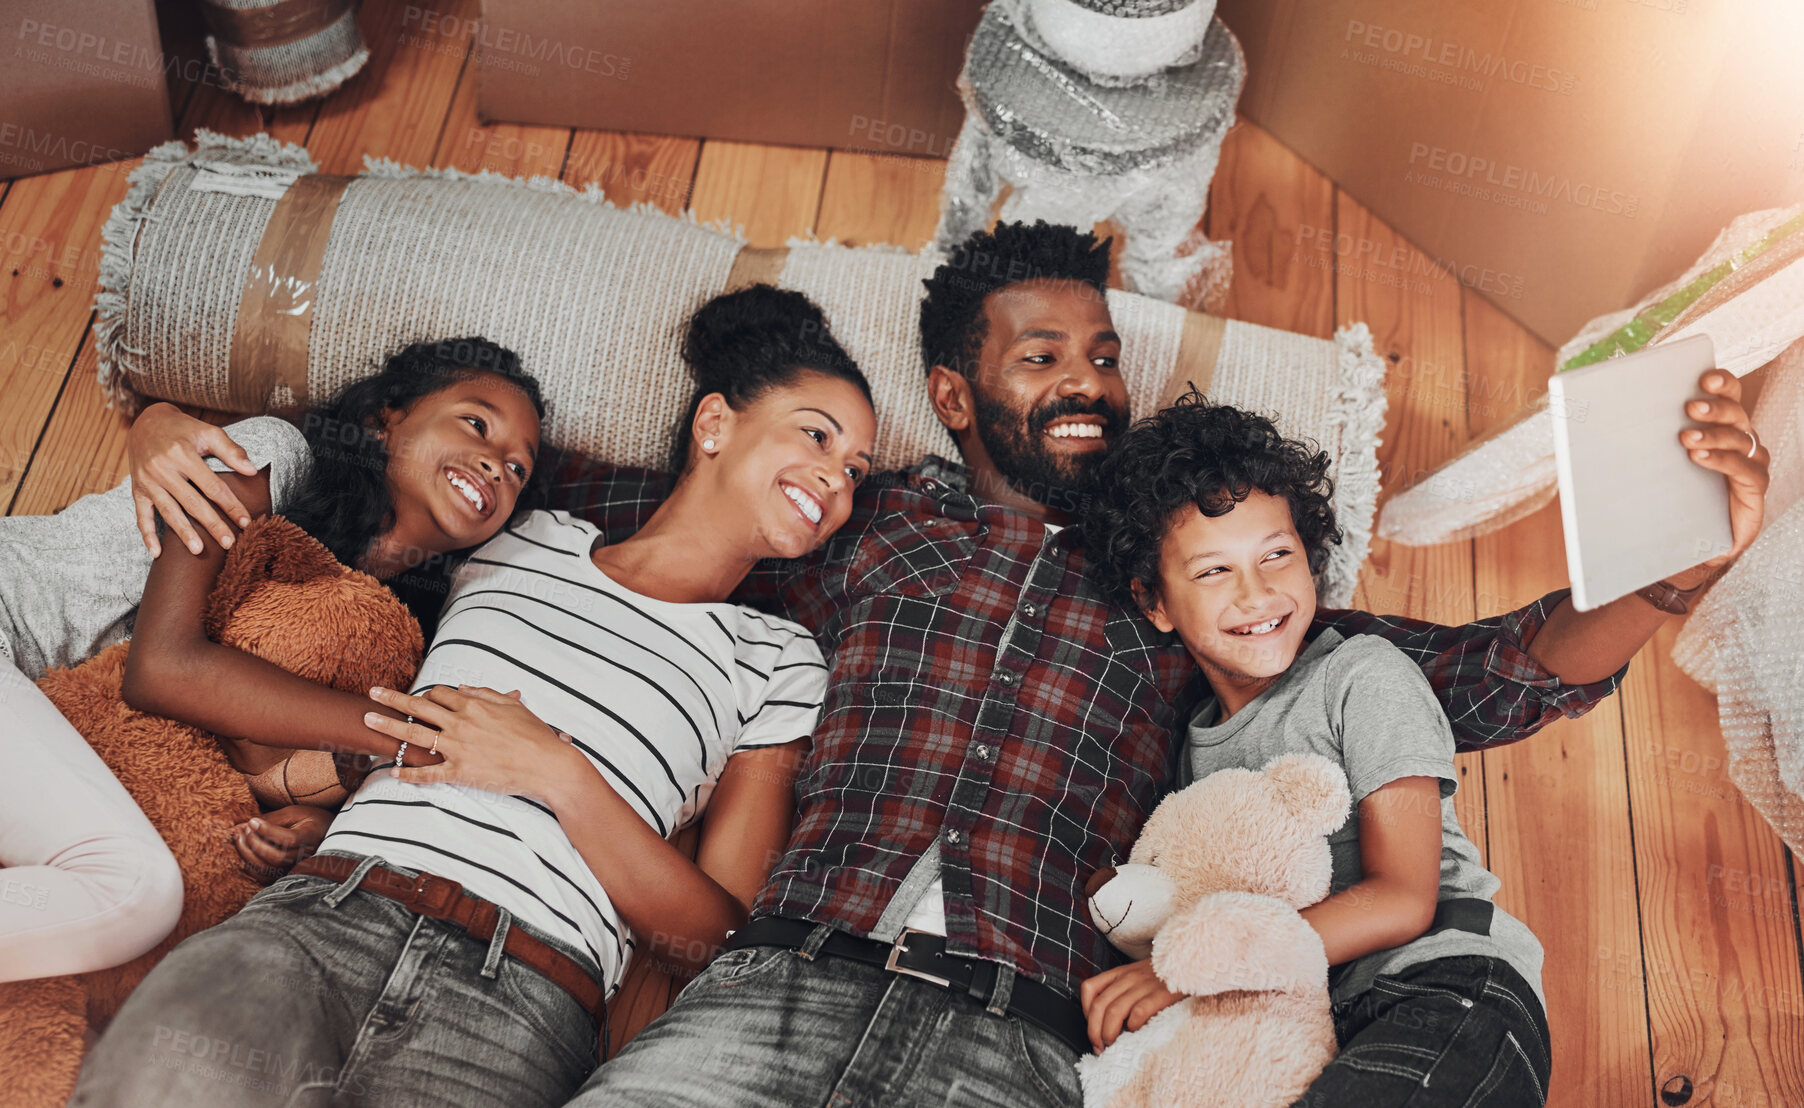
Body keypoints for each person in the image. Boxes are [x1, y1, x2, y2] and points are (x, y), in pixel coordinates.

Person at [95, 222, 1770, 1107]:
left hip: (1012, 1041)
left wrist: (1666, 563)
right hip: (751, 1003)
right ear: (956, 398)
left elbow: (1468, 673)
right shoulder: (837, 517)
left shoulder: (1175, 578)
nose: (1085, 376)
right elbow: (464, 483)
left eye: (1102, 350)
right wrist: (194, 431)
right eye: (1038, 351)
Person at [71, 285, 879, 1108]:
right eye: (817, 435)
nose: (836, 481)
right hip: (322, 917)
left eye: (855, 470)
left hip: (522, 1000)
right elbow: (368, 473)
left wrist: (557, 773)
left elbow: (721, 941)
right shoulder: (516, 533)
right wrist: (159, 422)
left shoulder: (779, 661)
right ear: (713, 424)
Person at [0, 336, 545, 983]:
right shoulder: (275, 460)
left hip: (36, 725)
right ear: (385, 417)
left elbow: (251, 750)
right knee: (133, 888)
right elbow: (162, 671)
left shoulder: (399, 637)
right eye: (477, 424)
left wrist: (311, 824)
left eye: (517, 469)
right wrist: (418, 736)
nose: (494, 464)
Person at [1082, 390, 1551, 1104]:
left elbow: (1403, 899)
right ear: (1154, 601)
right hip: (1317, 1025)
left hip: (1444, 987)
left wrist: (1186, 970)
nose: (1258, 592)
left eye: (1277, 554)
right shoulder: (1189, 756)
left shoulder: (1361, 674)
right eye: (1214, 571)